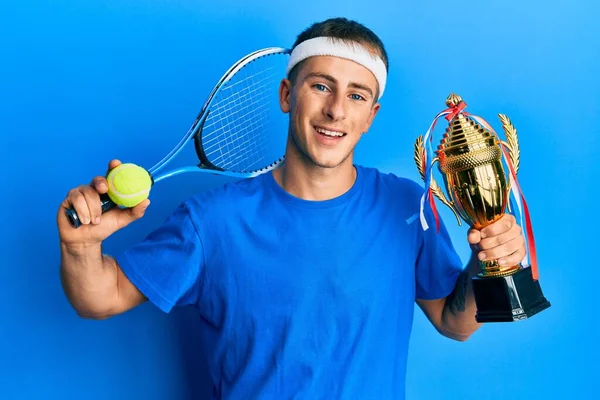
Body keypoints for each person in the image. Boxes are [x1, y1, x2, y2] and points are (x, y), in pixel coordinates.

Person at [57, 17, 527, 400]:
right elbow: (99, 297)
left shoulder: (407, 206)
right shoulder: (212, 222)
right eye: (321, 86)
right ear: (287, 95)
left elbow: (457, 323)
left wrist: (495, 265)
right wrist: (80, 247)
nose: (336, 110)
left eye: (356, 95)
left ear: (371, 115)